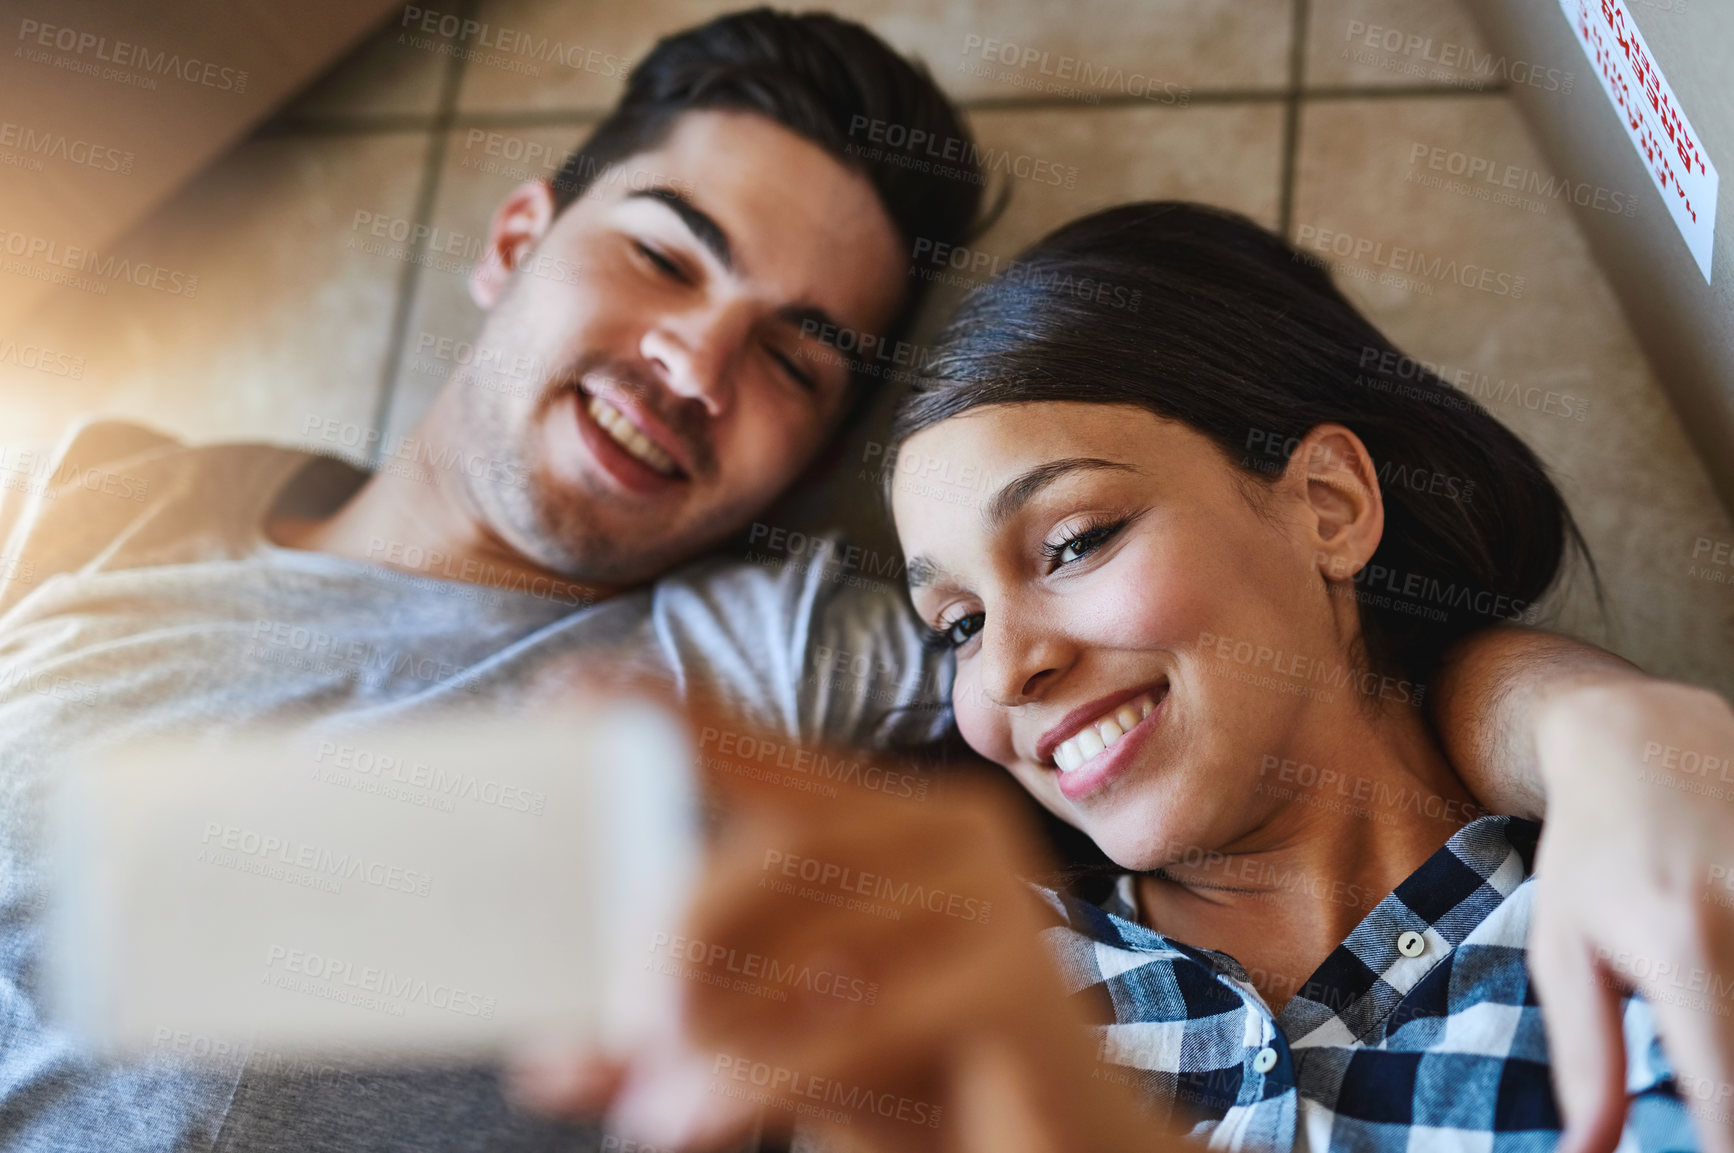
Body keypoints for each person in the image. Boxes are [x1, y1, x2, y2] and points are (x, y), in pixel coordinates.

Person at [0, 7, 1728, 1150]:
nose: (689, 362)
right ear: (516, 241)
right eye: (663, 255)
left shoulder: (743, 678)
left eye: (797, 356)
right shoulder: (104, 488)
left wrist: (1620, 733)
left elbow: (1291, 672)